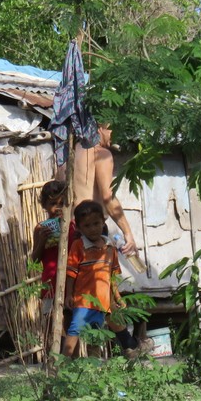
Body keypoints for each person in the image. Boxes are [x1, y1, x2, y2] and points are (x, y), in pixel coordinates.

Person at [61, 200, 141, 358]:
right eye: (87, 225)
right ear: (79, 228)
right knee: (74, 331)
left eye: (96, 223)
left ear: (103, 222)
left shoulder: (110, 247)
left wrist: (117, 297)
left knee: (95, 336)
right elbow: (71, 273)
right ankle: (61, 365)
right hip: (83, 301)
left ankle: (94, 366)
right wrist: (69, 295)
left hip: (103, 302)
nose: (92, 229)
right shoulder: (78, 246)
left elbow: (112, 276)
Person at [71, 124, 138, 256]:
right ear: (100, 128)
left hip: (72, 229)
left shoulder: (70, 153)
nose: (116, 135)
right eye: (112, 129)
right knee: (98, 270)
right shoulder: (101, 154)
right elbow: (108, 196)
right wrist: (128, 233)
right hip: (91, 230)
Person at [30, 179, 69, 314]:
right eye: (53, 203)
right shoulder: (41, 229)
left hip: (71, 282)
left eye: (61, 203)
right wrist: (42, 241)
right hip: (50, 281)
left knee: (69, 316)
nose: (58, 208)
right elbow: (35, 260)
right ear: (44, 205)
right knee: (51, 318)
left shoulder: (73, 226)